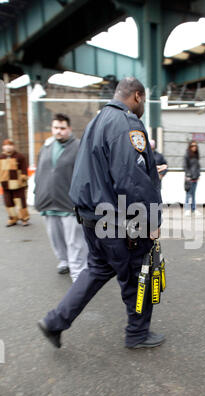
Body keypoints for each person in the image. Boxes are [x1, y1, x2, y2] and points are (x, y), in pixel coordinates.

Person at [37, 77, 165, 350]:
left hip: (92, 217)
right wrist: (150, 221)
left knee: (96, 270)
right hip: (119, 220)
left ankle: (55, 321)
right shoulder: (128, 123)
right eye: (142, 101)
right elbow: (131, 180)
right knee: (138, 275)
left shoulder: (96, 122)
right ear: (138, 96)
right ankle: (137, 334)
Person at [34, 113, 88, 282]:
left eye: (62, 128)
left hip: (69, 203)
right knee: (56, 238)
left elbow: (85, 174)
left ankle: (79, 271)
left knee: (75, 241)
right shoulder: (47, 146)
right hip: (48, 202)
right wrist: (38, 193)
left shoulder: (79, 147)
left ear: (69, 129)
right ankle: (64, 261)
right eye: (56, 128)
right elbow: (39, 172)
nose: (59, 131)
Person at [0, 139, 30, 227]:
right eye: (6, 145)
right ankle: (12, 218)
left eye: (10, 145)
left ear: (13, 146)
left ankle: (24, 218)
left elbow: (24, 168)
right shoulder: (1, 157)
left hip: (18, 184)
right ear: (3, 147)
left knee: (20, 202)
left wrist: (24, 177)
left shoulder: (20, 156)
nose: (8, 147)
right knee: (8, 203)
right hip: (5, 184)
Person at [183, 141, 200, 215]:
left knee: (193, 194)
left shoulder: (196, 155)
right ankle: (187, 209)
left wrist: (198, 175)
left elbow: (198, 167)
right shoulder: (187, 155)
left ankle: (194, 209)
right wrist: (188, 175)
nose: (194, 147)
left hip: (195, 177)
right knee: (188, 193)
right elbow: (185, 166)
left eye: (195, 145)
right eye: (193, 145)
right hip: (189, 178)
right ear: (190, 146)